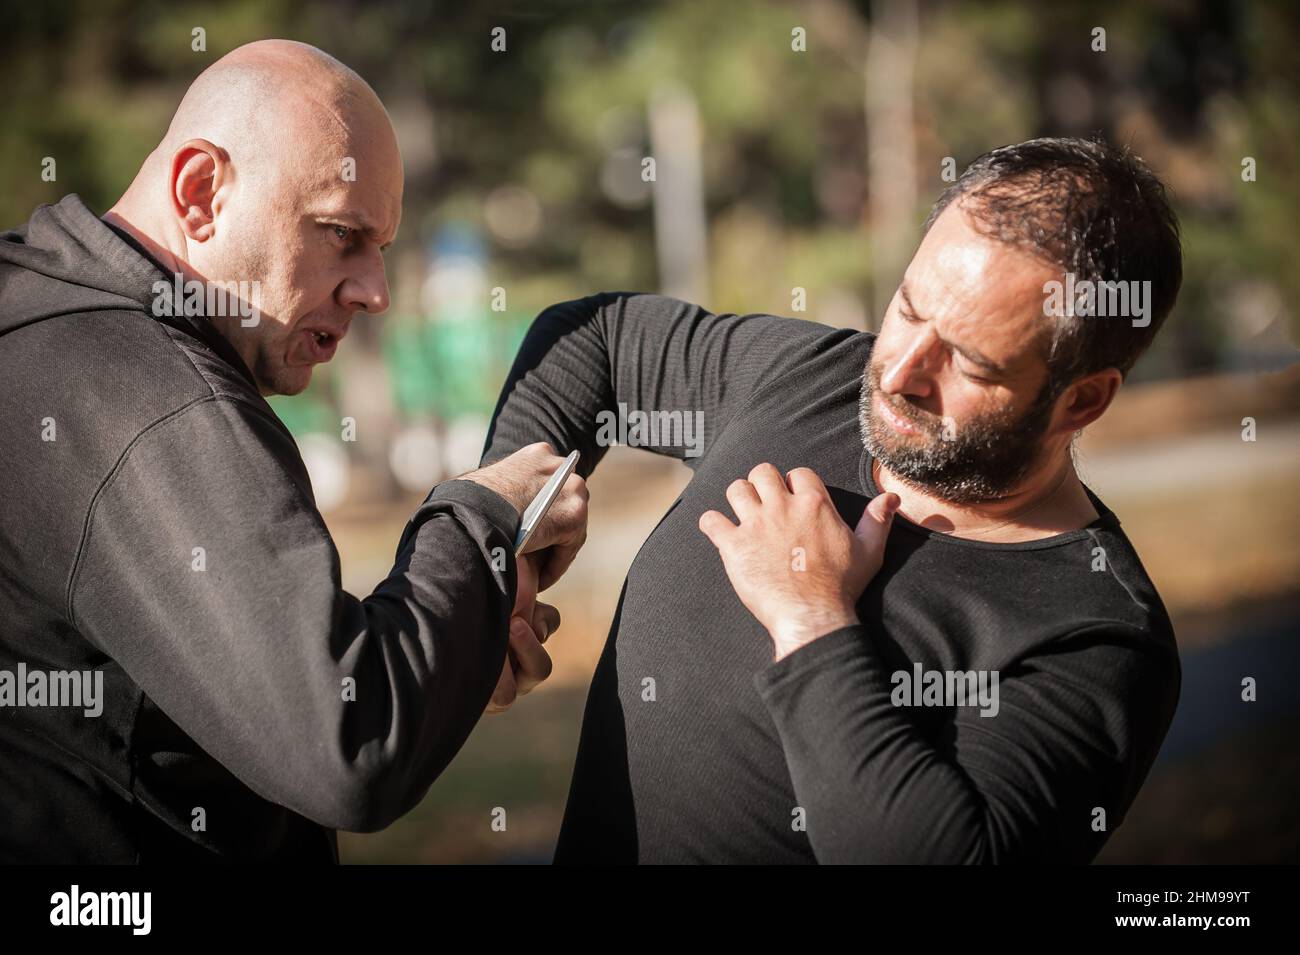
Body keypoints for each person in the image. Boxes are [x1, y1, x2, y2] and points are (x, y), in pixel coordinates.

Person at [481, 137, 1183, 863]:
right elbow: (593, 339)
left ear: (1082, 400)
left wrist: (811, 617)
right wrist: (501, 556)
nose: (900, 373)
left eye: (971, 364)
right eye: (909, 309)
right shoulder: (810, 378)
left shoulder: (1096, 635)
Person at [0, 40, 586, 863]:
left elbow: (215, 703)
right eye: (341, 232)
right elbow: (348, 742)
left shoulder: (37, 316)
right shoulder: (143, 394)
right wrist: (481, 519)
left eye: (382, 247)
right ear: (200, 192)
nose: (375, 292)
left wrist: (444, 649)